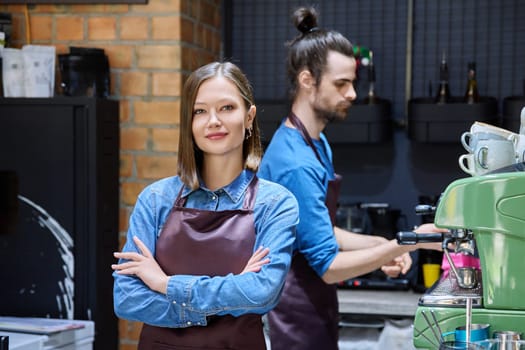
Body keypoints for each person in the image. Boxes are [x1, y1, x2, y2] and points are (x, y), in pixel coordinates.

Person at [258, 7, 446, 350]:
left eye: (352, 83)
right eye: (341, 84)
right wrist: (410, 241)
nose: (353, 95)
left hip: (317, 306)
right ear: (306, 80)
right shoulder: (295, 162)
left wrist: (377, 244)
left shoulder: (315, 143)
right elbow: (328, 266)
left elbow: (319, 232)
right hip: (295, 313)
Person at [112, 61, 299, 350]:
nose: (213, 121)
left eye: (227, 108)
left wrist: (165, 284)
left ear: (249, 117)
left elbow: (262, 293)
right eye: (200, 111)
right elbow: (127, 300)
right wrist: (232, 293)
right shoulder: (155, 200)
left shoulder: (275, 203)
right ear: (189, 122)